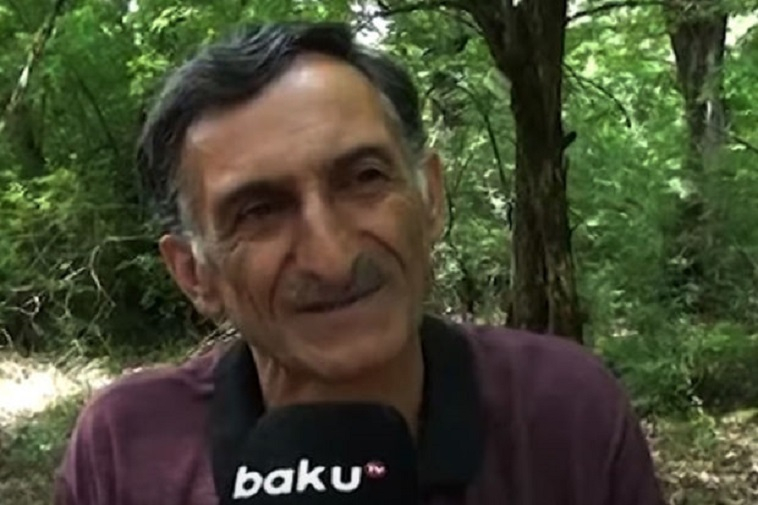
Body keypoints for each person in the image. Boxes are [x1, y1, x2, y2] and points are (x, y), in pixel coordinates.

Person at [53, 21, 666, 505]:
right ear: (194, 273)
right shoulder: (126, 448)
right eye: (259, 211)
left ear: (430, 198)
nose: (333, 257)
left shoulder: (564, 412)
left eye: (365, 178)